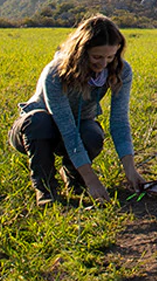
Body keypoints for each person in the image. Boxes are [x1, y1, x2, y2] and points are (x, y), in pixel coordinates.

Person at [8, 14, 146, 206]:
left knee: (93, 134)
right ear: (81, 52)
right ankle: (45, 189)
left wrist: (130, 169)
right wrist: (92, 179)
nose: (103, 64)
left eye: (110, 56)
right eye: (96, 57)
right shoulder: (56, 73)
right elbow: (67, 130)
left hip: (78, 125)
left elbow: (119, 122)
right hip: (36, 131)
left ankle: (74, 176)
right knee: (39, 122)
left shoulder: (121, 71)